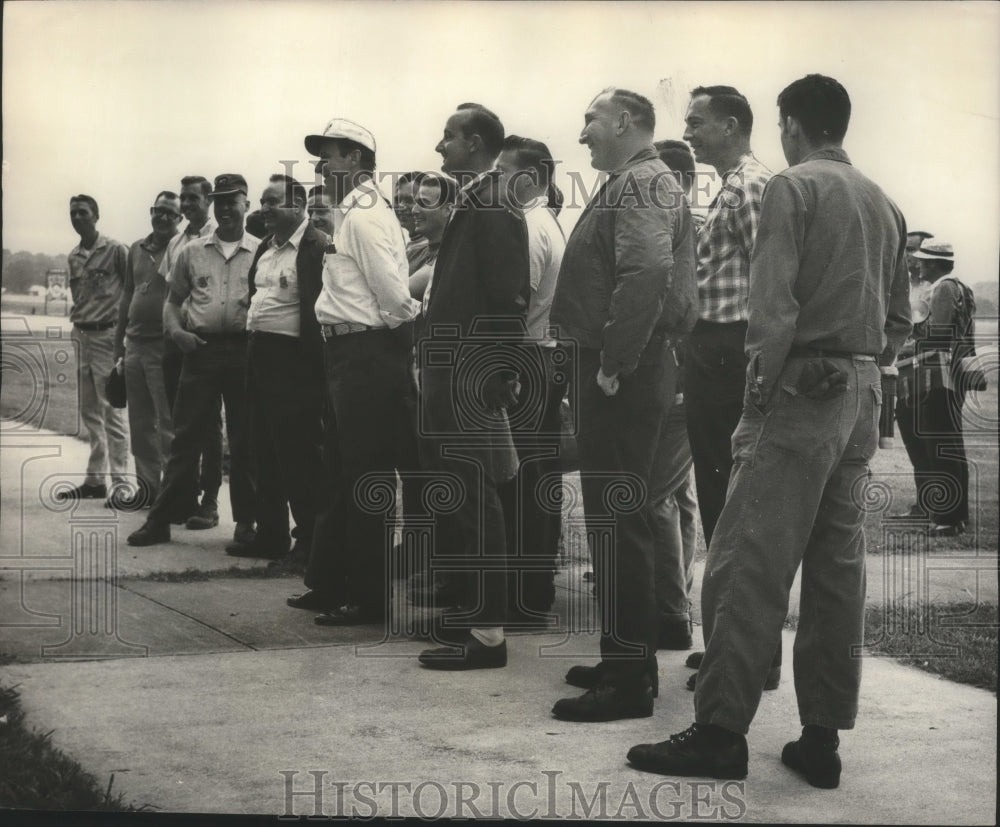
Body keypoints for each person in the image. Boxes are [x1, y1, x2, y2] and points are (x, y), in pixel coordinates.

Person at [627, 74, 911, 788]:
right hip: (861, 390)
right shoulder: (883, 200)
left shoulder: (793, 187)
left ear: (788, 124)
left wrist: (763, 387)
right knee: (836, 569)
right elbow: (902, 318)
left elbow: (773, 303)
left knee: (744, 559)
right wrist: (864, 366)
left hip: (800, 387)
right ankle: (821, 738)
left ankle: (720, 732)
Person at [549, 88, 694, 721]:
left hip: (621, 374)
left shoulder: (641, 183)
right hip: (620, 369)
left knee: (620, 520)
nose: (582, 134)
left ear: (625, 122)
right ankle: (623, 658)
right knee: (616, 521)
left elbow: (646, 276)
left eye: (591, 120)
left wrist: (613, 361)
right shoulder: (634, 180)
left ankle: (630, 681)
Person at [416, 103, 530, 670]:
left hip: (469, 377)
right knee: (466, 498)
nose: (441, 147)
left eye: (449, 137)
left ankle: (487, 635)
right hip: (454, 374)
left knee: (477, 500)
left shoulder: (494, 203)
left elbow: (508, 297)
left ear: (477, 143)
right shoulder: (477, 200)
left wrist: (499, 373)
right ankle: (478, 621)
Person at [294, 118, 420, 623]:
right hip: (349, 353)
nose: (321, 166)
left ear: (358, 160)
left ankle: (367, 598)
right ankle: (332, 582)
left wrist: (391, 349)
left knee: (364, 478)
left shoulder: (365, 217)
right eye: (320, 156)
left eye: (331, 155)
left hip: (366, 353)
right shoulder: (354, 214)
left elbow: (394, 296)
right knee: (341, 474)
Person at [680, 85, 781, 689]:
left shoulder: (751, 186)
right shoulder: (731, 185)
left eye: (698, 121)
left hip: (731, 351)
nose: (689, 131)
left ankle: (747, 655)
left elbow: (772, 282)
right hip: (714, 352)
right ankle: (730, 641)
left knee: (734, 509)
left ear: (732, 124)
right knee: (719, 505)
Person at [127, 174, 260, 549]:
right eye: (220, 201)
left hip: (241, 351)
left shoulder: (261, 250)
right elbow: (172, 301)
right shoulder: (192, 251)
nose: (226, 208)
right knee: (186, 437)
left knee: (244, 438)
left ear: (246, 205)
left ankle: (247, 523)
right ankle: (160, 520)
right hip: (200, 351)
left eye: (233, 200)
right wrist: (178, 333)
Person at [233, 174, 328, 560]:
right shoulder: (267, 249)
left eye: (273, 202)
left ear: (299, 204)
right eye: (262, 201)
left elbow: (320, 308)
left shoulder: (316, 246)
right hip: (259, 355)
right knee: (262, 449)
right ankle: (270, 535)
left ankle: (310, 540)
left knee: (299, 454)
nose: (264, 209)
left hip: (295, 363)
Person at [495, 135, 568, 619]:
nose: (496, 180)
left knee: (519, 479)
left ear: (530, 177)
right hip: (542, 356)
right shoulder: (547, 221)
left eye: (503, 171)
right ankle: (532, 591)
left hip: (526, 357)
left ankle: (523, 596)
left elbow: (517, 302)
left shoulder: (527, 225)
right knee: (536, 477)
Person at [645, 138, 702, 651]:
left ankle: (669, 615)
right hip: (690, 382)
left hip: (679, 381)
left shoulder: (686, 230)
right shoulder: (693, 226)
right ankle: (676, 599)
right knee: (676, 496)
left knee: (653, 496)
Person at [159, 175, 225, 531]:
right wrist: (173, 332)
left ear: (208, 199)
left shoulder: (219, 234)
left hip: (207, 343)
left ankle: (210, 500)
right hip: (178, 341)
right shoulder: (178, 243)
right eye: (182, 199)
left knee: (210, 424)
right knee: (182, 423)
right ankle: (183, 497)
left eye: (192, 199)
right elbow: (171, 295)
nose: (185, 205)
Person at [111, 191, 183, 505]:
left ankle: (173, 494)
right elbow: (127, 295)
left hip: (163, 347)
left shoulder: (183, 249)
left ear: (179, 219)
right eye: (159, 211)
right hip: (134, 347)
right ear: (151, 212)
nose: (164, 217)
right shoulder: (135, 250)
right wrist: (118, 346)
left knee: (167, 424)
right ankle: (147, 489)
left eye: (171, 213)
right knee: (140, 424)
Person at [58, 194, 130, 505]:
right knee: (89, 412)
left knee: (111, 411)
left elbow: (130, 291)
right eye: (72, 213)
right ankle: (95, 480)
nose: (77, 217)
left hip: (106, 336)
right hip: (81, 335)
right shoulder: (73, 256)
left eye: (82, 212)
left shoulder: (115, 249)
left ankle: (122, 485)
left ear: (96, 216)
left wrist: (124, 339)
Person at [901, 239, 973, 536]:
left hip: (935, 376)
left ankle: (947, 518)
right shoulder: (958, 288)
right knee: (942, 447)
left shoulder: (944, 288)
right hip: (941, 375)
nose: (917, 265)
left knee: (940, 448)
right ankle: (945, 513)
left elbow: (939, 335)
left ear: (933, 264)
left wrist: (906, 345)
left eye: (922, 261)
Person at [891, 230, 935, 519]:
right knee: (913, 442)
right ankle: (924, 505)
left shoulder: (936, 290)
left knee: (931, 444)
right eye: (905, 250)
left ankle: (939, 507)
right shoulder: (902, 288)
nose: (908, 256)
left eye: (913, 250)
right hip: (904, 377)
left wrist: (900, 346)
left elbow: (934, 336)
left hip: (929, 377)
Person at [394, 172, 433, 274]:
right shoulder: (405, 249)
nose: (401, 206)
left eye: (409, 200)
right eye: (397, 200)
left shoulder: (433, 252)